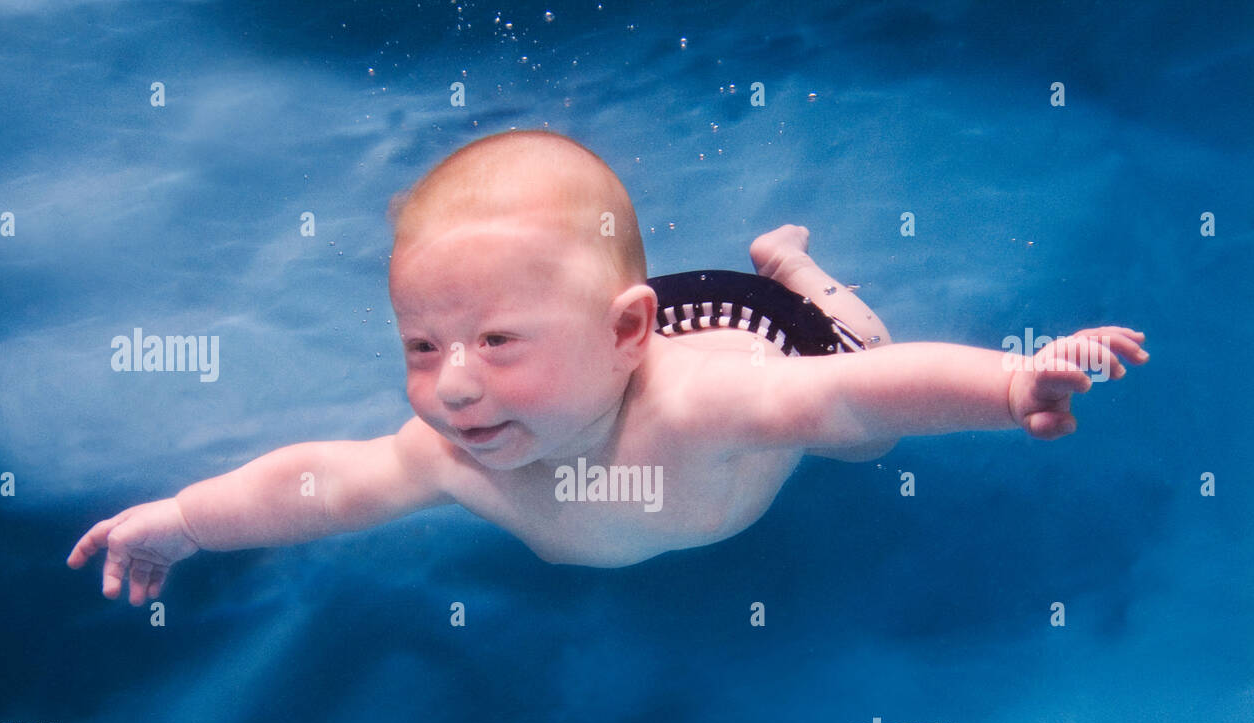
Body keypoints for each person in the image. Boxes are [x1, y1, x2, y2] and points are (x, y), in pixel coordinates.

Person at [67, 129, 1148, 601]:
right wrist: (188, 518)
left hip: (754, 324)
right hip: (608, 326)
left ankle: (801, 264)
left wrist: (1011, 386)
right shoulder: (461, 451)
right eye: (421, 347)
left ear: (626, 335)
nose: (451, 385)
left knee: (861, 432)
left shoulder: (709, 406)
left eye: (491, 344)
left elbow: (861, 385)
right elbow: (321, 484)